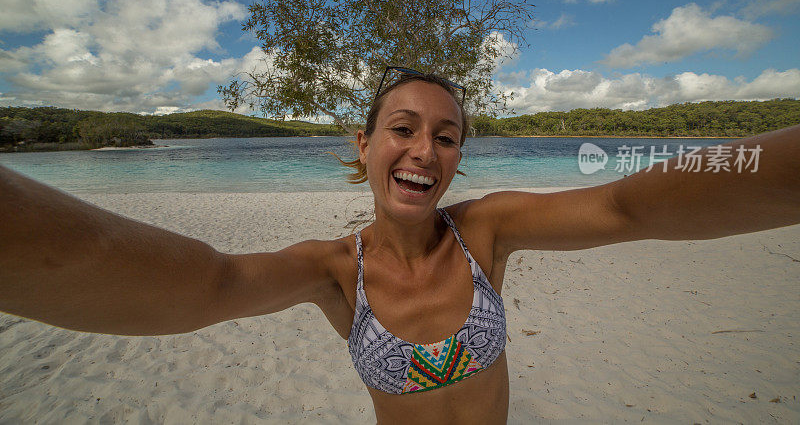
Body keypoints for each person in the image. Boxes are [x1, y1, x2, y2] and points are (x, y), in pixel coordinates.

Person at [1, 69, 799, 424]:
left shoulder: (487, 230)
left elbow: (628, 204)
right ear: (365, 142)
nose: (425, 150)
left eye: (446, 136)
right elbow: (207, 283)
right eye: (404, 128)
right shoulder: (330, 271)